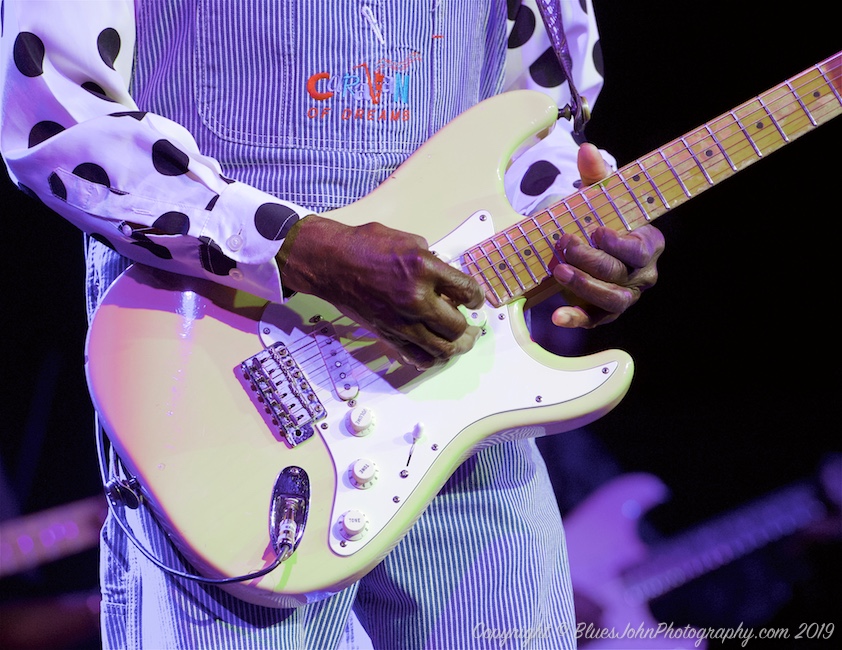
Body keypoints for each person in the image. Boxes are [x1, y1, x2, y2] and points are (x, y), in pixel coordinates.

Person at [0, 1, 664, 648]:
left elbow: (536, 128)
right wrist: (297, 249)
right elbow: (52, 109)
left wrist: (576, 237)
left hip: (470, 398)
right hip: (226, 383)